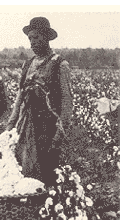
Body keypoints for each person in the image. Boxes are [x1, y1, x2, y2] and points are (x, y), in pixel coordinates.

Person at [6, 17, 73, 187]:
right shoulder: (28, 64)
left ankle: (47, 206)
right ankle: (28, 205)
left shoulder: (59, 64)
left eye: (36, 37)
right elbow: (20, 96)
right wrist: (11, 124)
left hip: (48, 125)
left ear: (46, 37)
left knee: (47, 169)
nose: (32, 42)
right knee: (24, 165)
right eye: (30, 38)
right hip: (27, 122)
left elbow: (66, 102)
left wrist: (60, 134)